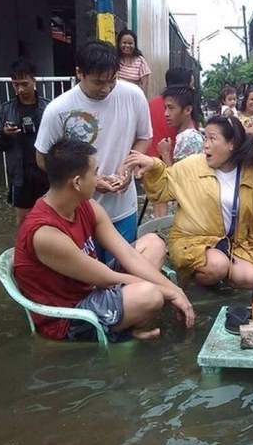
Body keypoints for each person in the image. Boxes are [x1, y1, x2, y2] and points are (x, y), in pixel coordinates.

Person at [14, 139, 194, 342]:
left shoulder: (86, 205)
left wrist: (176, 290)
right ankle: (124, 332)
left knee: (153, 243)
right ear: (77, 182)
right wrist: (168, 293)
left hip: (91, 288)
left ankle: (128, 324)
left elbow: (128, 254)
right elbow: (107, 278)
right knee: (150, 295)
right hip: (68, 315)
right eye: (95, 173)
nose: (99, 178)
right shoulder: (45, 233)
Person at [35, 40, 153, 263]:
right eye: (99, 82)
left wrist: (127, 168)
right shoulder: (58, 110)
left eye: (113, 80)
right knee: (86, 279)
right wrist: (87, 181)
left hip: (122, 208)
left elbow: (144, 136)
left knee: (120, 272)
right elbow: (42, 159)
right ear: (80, 73)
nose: (107, 89)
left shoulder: (133, 96)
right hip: (76, 211)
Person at [124, 116, 253, 289]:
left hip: (233, 244)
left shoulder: (252, 173)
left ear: (232, 144)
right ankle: (193, 281)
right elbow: (161, 190)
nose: (205, 145)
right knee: (218, 266)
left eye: (212, 139)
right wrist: (154, 165)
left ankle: (222, 280)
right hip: (192, 241)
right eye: (205, 138)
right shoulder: (191, 166)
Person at [0, 58, 50, 225]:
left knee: (50, 215)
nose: (20, 89)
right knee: (23, 218)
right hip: (20, 172)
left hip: (45, 171)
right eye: (16, 84)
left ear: (34, 81)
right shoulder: (5, 109)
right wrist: (4, 133)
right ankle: (25, 249)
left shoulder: (49, 107)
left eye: (25, 83)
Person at [148, 67, 197, 217]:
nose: (166, 114)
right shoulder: (183, 114)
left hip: (154, 163)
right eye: (191, 85)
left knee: (159, 206)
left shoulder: (150, 104)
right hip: (170, 161)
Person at [116, 28, 151, 97]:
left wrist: (143, 99)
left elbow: (145, 83)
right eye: (124, 43)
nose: (127, 46)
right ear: (119, 44)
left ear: (135, 45)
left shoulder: (140, 61)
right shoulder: (114, 59)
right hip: (117, 96)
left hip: (133, 97)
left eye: (130, 43)